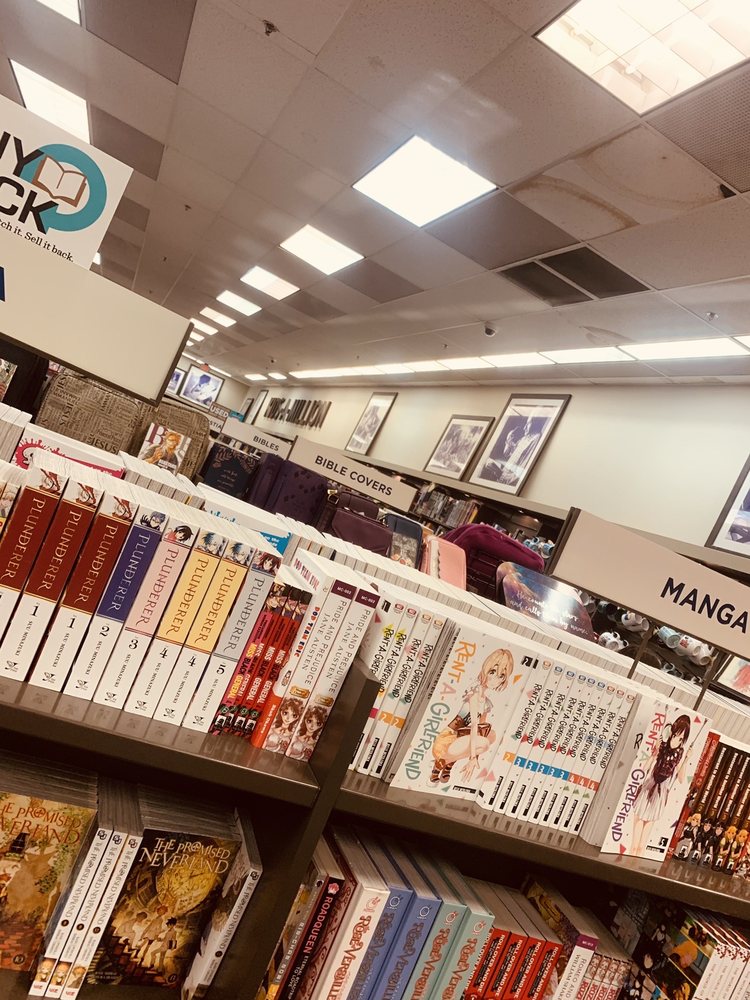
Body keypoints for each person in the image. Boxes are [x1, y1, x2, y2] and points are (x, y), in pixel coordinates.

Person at [430, 648, 514, 785]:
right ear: (485, 670)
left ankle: (448, 763)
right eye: (492, 672)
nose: (495, 679)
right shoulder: (474, 694)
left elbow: (481, 729)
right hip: (447, 740)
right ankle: (442, 763)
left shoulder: (486, 702)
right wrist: (472, 757)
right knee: (484, 743)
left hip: (462, 738)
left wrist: (474, 759)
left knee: (491, 735)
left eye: (501, 676)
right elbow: (474, 725)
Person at [630, 714, 693, 857]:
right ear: (672, 731)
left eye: (681, 737)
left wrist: (686, 759)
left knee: (642, 844)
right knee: (635, 841)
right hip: (649, 786)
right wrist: (655, 752)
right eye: (677, 734)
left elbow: (681, 779)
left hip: (660, 792)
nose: (678, 739)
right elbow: (645, 768)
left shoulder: (680, 752)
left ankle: (635, 861)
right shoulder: (662, 744)